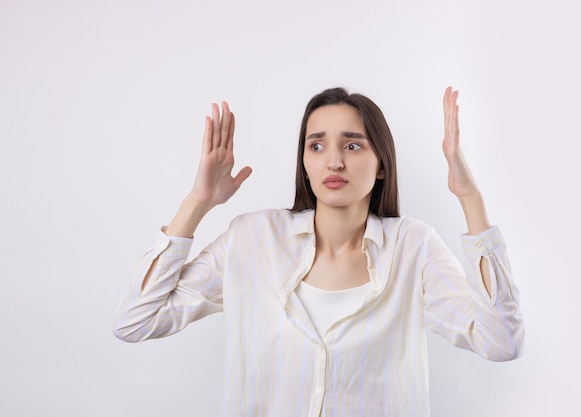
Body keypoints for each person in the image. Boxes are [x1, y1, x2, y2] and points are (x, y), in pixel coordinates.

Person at [113, 86, 524, 416]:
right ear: (304, 162)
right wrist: (197, 202)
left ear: (381, 164)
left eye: (352, 146)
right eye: (317, 146)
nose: (334, 162)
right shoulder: (252, 238)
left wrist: (469, 197)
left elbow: (501, 342)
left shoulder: (412, 246)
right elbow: (135, 321)